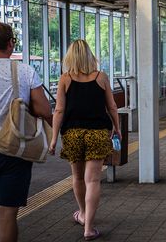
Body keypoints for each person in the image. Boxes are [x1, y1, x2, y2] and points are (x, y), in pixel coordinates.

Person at [0, 23, 52, 242]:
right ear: (11, 43)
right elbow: (43, 109)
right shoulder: (24, 71)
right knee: (8, 212)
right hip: (14, 149)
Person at [49, 40, 121, 241]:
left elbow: (59, 110)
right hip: (98, 133)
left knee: (78, 178)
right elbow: (112, 107)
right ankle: (88, 227)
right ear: (90, 56)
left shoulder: (65, 79)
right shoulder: (101, 77)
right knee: (93, 180)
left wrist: (54, 138)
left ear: (70, 57)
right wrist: (118, 129)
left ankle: (81, 213)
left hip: (72, 134)